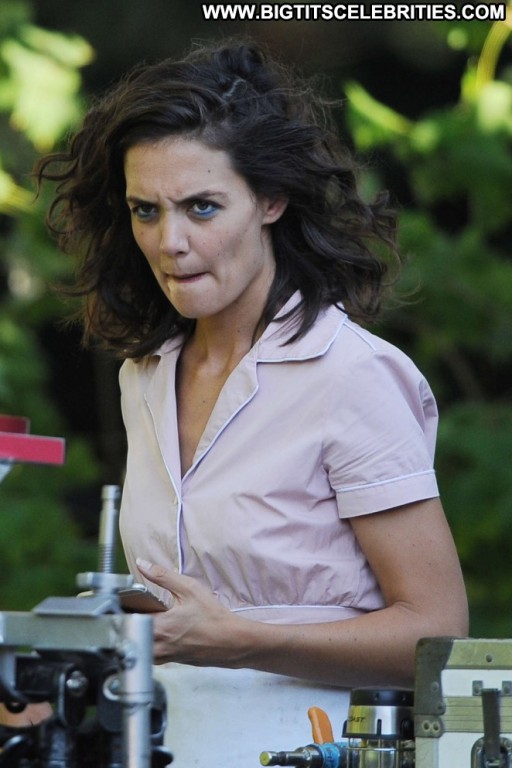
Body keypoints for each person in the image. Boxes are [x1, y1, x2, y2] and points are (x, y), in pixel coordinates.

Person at [31, 39, 467, 765]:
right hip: (157, 745)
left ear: (271, 200)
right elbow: (175, 624)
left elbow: (438, 636)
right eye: (146, 210)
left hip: (314, 746)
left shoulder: (351, 374)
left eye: (202, 207)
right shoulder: (144, 372)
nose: (170, 242)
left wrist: (244, 642)